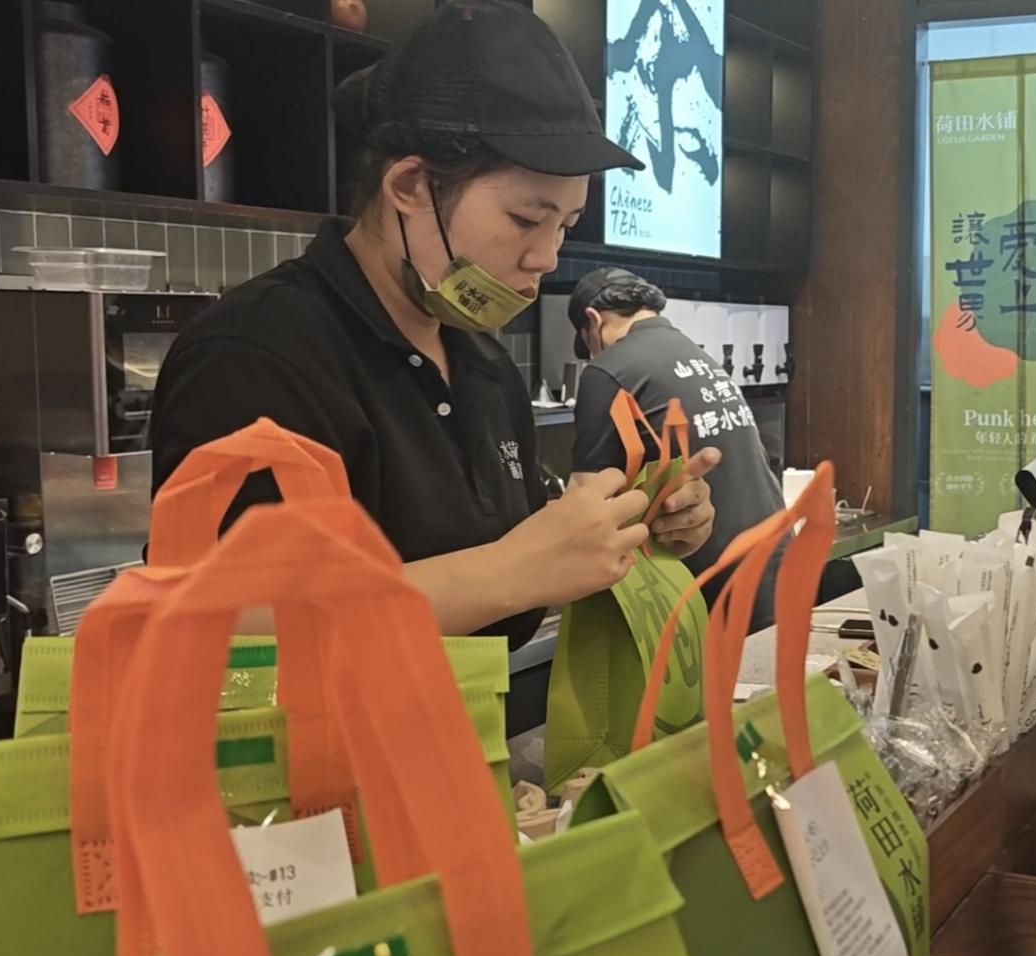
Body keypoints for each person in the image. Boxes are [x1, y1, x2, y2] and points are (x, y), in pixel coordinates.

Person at [147, 0, 718, 649]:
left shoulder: (485, 365)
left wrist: (626, 522)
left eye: (564, 225)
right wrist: (511, 570)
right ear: (411, 185)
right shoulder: (254, 353)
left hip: (471, 716)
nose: (547, 257)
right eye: (526, 220)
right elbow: (221, 623)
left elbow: (525, 550)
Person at [568, 268, 785, 631]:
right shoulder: (695, 354)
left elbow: (585, 499)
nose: (592, 353)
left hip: (717, 582)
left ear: (593, 320)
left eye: (586, 342)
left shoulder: (608, 369)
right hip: (775, 560)